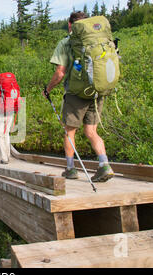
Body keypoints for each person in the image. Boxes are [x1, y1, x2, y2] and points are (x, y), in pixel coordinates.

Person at [43, 11, 114, 182]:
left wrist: (48, 89)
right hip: (97, 91)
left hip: (76, 94)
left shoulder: (66, 43)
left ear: (70, 25)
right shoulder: (98, 40)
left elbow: (60, 73)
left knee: (69, 132)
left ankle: (70, 169)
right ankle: (105, 165)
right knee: (91, 131)